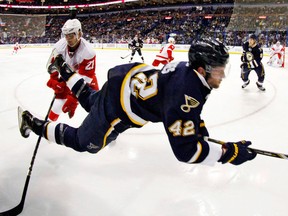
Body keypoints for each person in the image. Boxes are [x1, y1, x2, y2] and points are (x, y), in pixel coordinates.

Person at [19, 38, 256, 166]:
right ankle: (33, 122)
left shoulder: (189, 72)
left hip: (124, 81)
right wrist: (227, 153)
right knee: (85, 142)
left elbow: (190, 117)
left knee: (92, 101)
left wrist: (205, 136)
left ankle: (66, 71)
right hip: (119, 105)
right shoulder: (185, 94)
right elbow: (187, 152)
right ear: (203, 70)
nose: (222, 75)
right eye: (218, 71)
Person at [46, 18, 99, 121]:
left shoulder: (88, 51)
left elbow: (86, 78)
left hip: (83, 77)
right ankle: (48, 126)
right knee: (58, 103)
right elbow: (53, 66)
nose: (68, 39)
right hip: (67, 75)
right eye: (66, 36)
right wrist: (54, 79)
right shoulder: (59, 47)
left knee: (96, 103)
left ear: (79, 34)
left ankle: (102, 127)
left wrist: (74, 99)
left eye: (71, 35)